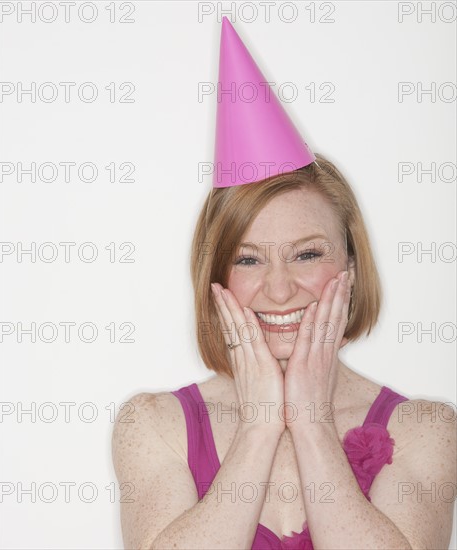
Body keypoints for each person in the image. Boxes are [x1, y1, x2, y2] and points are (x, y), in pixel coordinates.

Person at [112, 17, 456, 550]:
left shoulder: (428, 429)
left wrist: (313, 423)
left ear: (351, 267)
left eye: (307, 254)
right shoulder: (151, 425)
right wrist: (259, 427)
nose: (278, 290)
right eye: (248, 260)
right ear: (215, 278)